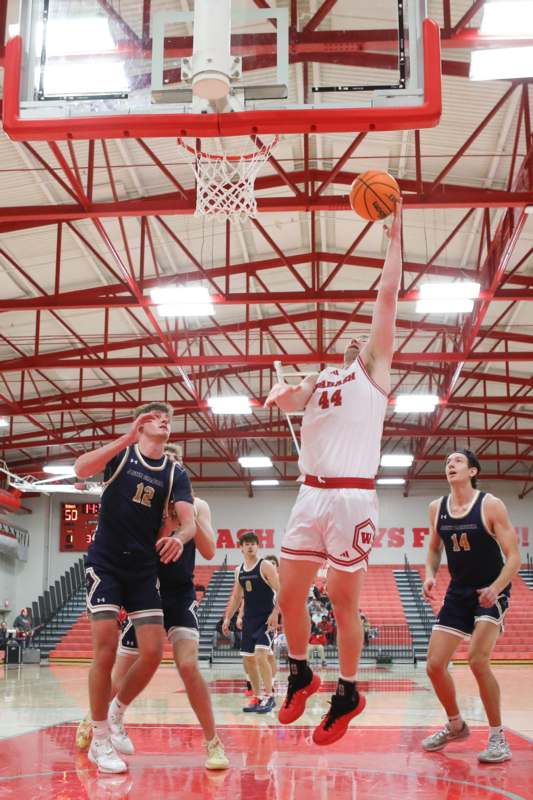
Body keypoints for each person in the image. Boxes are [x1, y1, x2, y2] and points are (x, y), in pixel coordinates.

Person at [265, 201, 402, 745]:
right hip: (309, 495)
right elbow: (292, 396)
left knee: (345, 604)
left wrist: (395, 237)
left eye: (363, 345)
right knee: (288, 598)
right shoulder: (322, 378)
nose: (357, 346)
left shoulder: (376, 375)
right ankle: (300, 672)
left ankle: (347, 692)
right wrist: (284, 393)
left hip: (350, 499)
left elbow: (387, 298)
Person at [74, 403, 196, 773]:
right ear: (142, 425)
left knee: (152, 652)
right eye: (157, 417)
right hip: (107, 563)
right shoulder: (122, 455)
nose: (165, 422)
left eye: (168, 419)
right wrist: (126, 437)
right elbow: (80, 469)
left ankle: (116, 712)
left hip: (143, 569)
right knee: (106, 649)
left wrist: (179, 536)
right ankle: (98, 739)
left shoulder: (175, 473)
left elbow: (188, 523)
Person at [421, 449, 520, 763]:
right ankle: (455, 724)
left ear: (473, 471)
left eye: (457, 461)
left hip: (491, 589)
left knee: (478, 660)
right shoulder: (437, 508)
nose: (450, 464)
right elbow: (435, 549)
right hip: (458, 592)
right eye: (447, 461)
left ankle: (497, 737)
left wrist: (496, 587)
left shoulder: (490, 505)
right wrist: (430, 575)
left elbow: (514, 557)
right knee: (434, 666)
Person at [223, 533, 280, 714]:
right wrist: (227, 618)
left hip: (266, 620)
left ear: (258, 547)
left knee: (261, 655)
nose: (250, 547)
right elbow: (237, 597)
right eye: (247, 544)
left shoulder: (266, 566)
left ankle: (270, 696)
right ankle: (257, 696)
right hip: (249, 621)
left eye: (253, 544)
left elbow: (282, 591)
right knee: (248, 660)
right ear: (241, 547)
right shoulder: (239, 570)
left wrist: (275, 613)